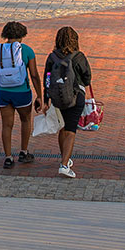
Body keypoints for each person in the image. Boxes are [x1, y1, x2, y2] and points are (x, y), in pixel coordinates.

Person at [0, 20, 44, 169]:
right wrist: (39, 95)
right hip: (22, 92)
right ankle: (23, 152)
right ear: (22, 35)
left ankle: (8, 157)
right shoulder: (26, 50)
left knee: (6, 125)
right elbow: (34, 75)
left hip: (2, 92)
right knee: (25, 120)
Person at [42, 25, 93, 179]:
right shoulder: (79, 57)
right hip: (76, 97)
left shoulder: (52, 57)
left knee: (62, 128)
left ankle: (65, 157)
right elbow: (87, 78)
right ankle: (64, 165)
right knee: (71, 130)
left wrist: (46, 100)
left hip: (57, 98)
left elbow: (47, 79)